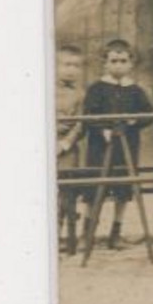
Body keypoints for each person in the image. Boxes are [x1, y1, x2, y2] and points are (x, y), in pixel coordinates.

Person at [80, 38, 153, 251]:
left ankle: (116, 233)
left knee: (123, 188)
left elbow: (149, 114)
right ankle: (87, 234)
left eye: (123, 61)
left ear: (131, 63)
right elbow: (89, 114)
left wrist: (134, 121)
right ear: (105, 63)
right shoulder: (97, 89)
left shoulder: (135, 90)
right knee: (95, 188)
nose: (118, 65)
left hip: (126, 146)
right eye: (113, 61)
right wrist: (102, 129)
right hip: (100, 146)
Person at [54, 43, 86, 256]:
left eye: (76, 66)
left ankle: (69, 238)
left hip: (67, 147)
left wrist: (66, 143)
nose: (71, 70)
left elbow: (81, 123)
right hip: (46, 143)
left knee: (68, 194)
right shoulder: (44, 88)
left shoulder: (81, 94)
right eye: (66, 65)